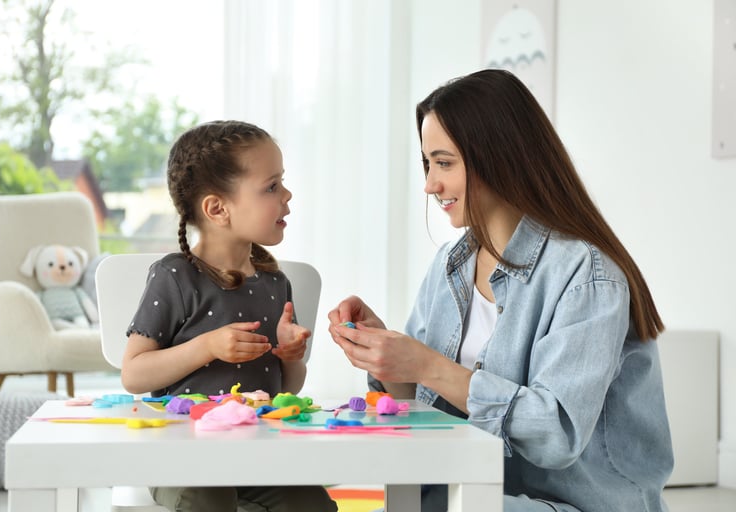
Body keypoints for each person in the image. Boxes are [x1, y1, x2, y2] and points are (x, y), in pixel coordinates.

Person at [328, 70, 673, 512]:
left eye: (445, 163)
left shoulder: (586, 275)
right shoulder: (451, 266)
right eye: (427, 164)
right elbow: (425, 407)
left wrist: (427, 364)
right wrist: (389, 358)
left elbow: (556, 435)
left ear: (499, 156)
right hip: (473, 495)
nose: (430, 185)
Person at [122, 120, 337, 512]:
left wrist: (290, 357)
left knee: (311, 503)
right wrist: (206, 346)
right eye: (272, 187)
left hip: (259, 455)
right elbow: (133, 373)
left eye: (281, 182)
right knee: (208, 499)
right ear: (217, 208)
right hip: (181, 456)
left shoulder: (275, 283)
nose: (287, 195)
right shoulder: (176, 275)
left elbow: (288, 387)